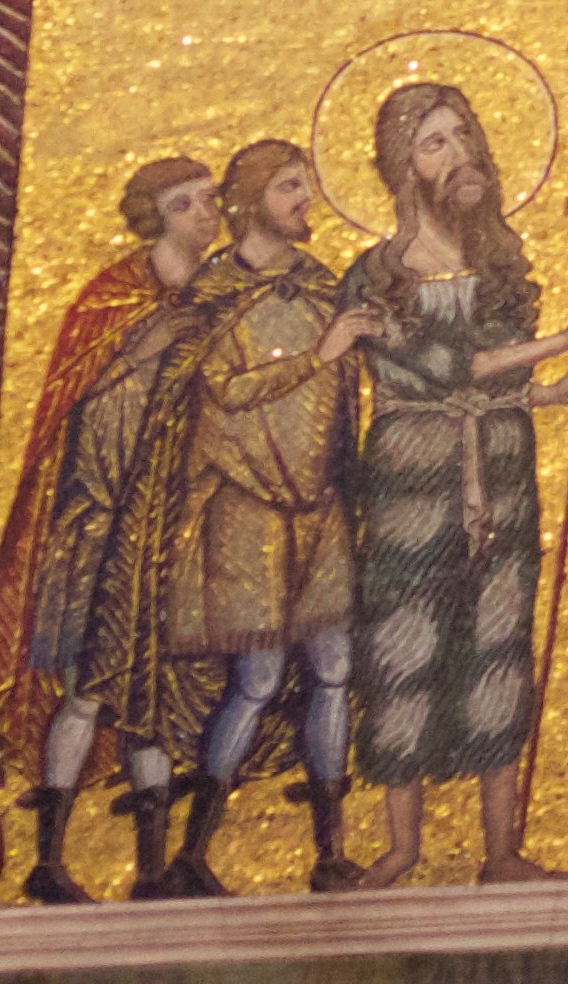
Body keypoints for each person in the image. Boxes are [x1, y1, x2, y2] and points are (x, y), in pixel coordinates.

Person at [336, 82, 568, 889]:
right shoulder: (376, 278)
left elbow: (492, 381)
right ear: (402, 166)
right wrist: (567, 339)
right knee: (406, 644)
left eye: (464, 135)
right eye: (434, 142)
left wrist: (554, 393)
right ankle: (402, 849)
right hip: (413, 482)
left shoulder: (500, 266)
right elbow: (447, 369)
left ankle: (501, 852)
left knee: (499, 646)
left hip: (501, 474)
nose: (459, 155)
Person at [0, 154, 227, 903]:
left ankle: (152, 872)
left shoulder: (219, 295)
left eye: (212, 199)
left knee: (153, 699)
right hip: (104, 529)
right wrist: (137, 357)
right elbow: (76, 411)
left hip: (179, 532)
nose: (207, 214)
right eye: (187, 204)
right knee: (91, 690)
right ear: (154, 218)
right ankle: (48, 862)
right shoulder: (114, 300)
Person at [170, 140, 380, 893]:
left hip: (320, 504)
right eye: (291, 187)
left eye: (307, 186)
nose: (305, 201)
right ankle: (194, 853)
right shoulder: (214, 293)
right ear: (251, 198)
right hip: (247, 504)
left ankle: (330, 853)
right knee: (257, 676)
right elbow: (223, 392)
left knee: (334, 669)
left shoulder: (323, 286)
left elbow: (348, 396)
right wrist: (322, 354)